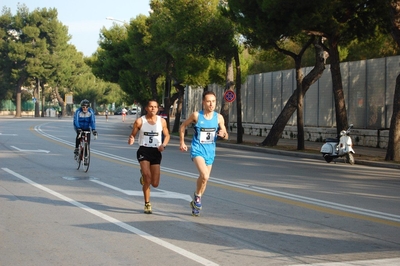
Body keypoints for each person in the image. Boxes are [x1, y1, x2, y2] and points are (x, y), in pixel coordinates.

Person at [179, 91, 228, 216]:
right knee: (204, 175)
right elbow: (183, 126)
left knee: (205, 179)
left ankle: (197, 196)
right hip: (197, 149)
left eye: (213, 101)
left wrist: (223, 134)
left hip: (210, 151)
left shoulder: (219, 117)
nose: (211, 104)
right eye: (208, 101)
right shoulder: (197, 115)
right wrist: (182, 142)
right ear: (203, 102)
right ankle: (198, 199)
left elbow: (225, 134)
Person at [128, 100, 170, 214]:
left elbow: (167, 135)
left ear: (158, 109)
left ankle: (145, 176)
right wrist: (131, 138)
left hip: (156, 151)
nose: (153, 109)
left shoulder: (162, 121)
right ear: (146, 108)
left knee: (155, 183)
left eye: (155, 107)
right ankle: (147, 203)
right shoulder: (140, 121)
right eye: (151, 107)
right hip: (144, 150)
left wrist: (164, 145)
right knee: (147, 177)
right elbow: (133, 134)